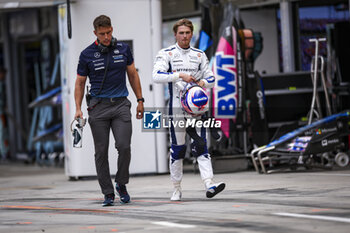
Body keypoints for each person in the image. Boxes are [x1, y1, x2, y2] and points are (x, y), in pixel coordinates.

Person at [74, 15, 144, 206]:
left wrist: (140, 100)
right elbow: (80, 83)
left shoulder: (123, 49)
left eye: (109, 32)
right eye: (102, 34)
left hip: (121, 104)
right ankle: (108, 193)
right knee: (101, 152)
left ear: (112, 29)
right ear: (95, 33)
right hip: (98, 108)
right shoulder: (86, 54)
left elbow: (132, 74)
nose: (106, 37)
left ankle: (121, 183)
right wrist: (78, 109)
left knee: (124, 146)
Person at [152, 18, 225, 201]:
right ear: (175, 34)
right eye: (181, 33)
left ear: (191, 34)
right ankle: (176, 188)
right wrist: (179, 75)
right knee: (177, 149)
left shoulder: (199, 55)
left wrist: (202, 82)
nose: (184, 36)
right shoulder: (166, 54)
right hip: (176, 108)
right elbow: (156, 76)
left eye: (187, 33)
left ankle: (209, 184)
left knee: (201, 145)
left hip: (196, 109)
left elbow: (212, 79)